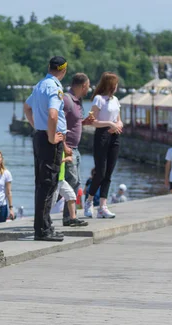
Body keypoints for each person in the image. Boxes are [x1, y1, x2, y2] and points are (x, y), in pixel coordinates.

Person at [24, 56, 68, 242]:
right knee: (48, 184)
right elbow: (53, 114)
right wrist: (51, 136)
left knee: (42, 183)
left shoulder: (40, 85)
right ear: (63, 70)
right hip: (50, 140)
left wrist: (37, 127)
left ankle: (45, 225)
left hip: (40, 137)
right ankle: (42, 230)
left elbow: (27, 108)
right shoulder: (55, 87)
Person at [83, 72, 123, 219]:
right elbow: (92, 121)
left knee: (109, 173)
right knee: (100, 172)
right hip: (102, 135)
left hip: (115, 136)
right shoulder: (99, 100)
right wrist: (109, 124)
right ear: (110, 84)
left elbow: (119, 120)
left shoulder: (116, 100)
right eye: (116, 83)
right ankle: (89, 201)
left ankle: (103, 206)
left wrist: (117, 125)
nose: (117, 86)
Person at [62, 73, 94, 226]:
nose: (89, 89)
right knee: (72, 182)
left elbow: (74, 122)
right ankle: (69, 218)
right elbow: (57, 124)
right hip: (68, 148)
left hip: (75, 148)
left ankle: (69, 217)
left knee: (73, 182)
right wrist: (64, 146)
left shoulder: (78, 101)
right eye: (88, 86)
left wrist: (84, 122)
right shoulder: (67, 100)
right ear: (82, 86)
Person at [55, 151, 88, 227]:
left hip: (61, 179)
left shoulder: (61, 146)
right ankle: (43, 220)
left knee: (71, 195)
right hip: (55, 179)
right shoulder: (54, 146)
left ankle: (73, 219)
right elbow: (52, 162)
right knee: (51, 202)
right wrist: (66, 159)